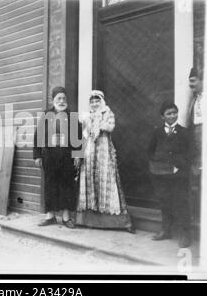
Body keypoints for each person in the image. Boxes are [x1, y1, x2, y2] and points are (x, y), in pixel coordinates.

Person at [77, 90, 135, 233]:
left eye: (97, 101)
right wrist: (78, 154)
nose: (95, 103)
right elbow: (83, 137)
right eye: (92, 101)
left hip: (103, 151)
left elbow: (110, 127)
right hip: (90, 152)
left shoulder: (108, 114)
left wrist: (97, 121)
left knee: (107, 181)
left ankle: (118, 222)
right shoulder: (85, 117)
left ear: (101, 101)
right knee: (89, 182)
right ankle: (87, 220)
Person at [33, 86, 82, 228]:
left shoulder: (72, 116)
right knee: (50, 185)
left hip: (67, 157)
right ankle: (50, 216)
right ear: (52, 100)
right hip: (50, 156)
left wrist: (78, 155)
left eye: (64, 98)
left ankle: (66, 217)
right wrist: (37, 156)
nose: (61, 101)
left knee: (67, 185)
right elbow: (38, 136)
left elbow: (78, 137)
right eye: (58, 98)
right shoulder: (46, 115)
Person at [148, 101, 192, 248]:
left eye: (174, 112)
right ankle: (166, 230)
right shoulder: (157, 132)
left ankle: (185, 234)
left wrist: (180, 165)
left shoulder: (184, 132)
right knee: (165, 201)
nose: (172, 116)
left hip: (179, 174)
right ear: (162, 116)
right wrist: (157, 165)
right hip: (162, 174)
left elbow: (191, 153)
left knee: (181, 202)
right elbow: (150, 151)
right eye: (169, 113)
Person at [188, 67, 203, 175]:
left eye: (193, 81)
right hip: (197, 140)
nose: (190, 84)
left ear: (201, 80)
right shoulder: (195, 99)